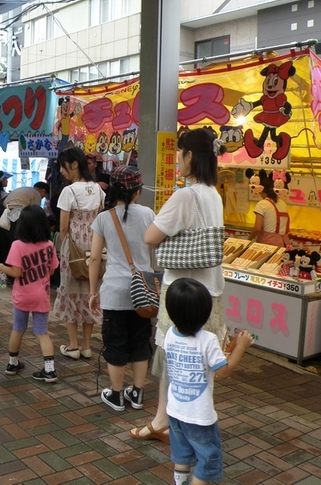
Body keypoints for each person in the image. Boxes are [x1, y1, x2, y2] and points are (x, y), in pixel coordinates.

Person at [130, 128, 227, 443]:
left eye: (180, 153)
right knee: (201, 360)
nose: (176, 160)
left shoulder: (186, 195)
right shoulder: (213, 194)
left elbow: (150, 237)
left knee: (173, 356)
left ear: (191, 156)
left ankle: (168, 423)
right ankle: (181, 421)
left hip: (181, 293)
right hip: (210, 293)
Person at [164, 278, 254, 485]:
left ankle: (180, 481)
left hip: (176, 409)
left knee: (182, 453)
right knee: (208, 459)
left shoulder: (170, 334)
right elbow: (223, 372)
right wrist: (240, 346)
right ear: (205, 313)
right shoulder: (207, 340)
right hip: (199, 415)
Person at [88, 166, 155, 411]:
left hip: (114, 292)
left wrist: (93, 292)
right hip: (143, 293)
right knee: (140, 343)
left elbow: (95, 259)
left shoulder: (103, 218)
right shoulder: (149, 214)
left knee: (115, 343)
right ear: (137, 192)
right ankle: (137, 394)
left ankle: (116, 395)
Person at [0, 205, 59, 382]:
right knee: (42, 332)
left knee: (18, 329)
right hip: (41, 296)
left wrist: (1, 266)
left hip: (22, 295)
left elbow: (16, 272)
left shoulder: (17, 245)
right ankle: (49, 370)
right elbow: (52, 271)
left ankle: (12, 363)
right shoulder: (49, 245)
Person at [53, 147, 105, 360]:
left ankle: (73, 346)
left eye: (63, 167)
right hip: (94, 247)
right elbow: (100, 220)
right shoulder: (99, 190)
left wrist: (65, 249)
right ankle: (86, 346)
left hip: (72, 249)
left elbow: (63, 227)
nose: (62, 171)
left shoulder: (69, 192)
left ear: (74, 164)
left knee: (70, 294)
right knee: (90, 294)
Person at [249, 177, 290, 247]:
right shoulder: (283, 203)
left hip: (267, 244)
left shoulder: (262, 204)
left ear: (261, 190)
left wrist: (249, 239)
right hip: (283, 243)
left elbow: (257, 228)